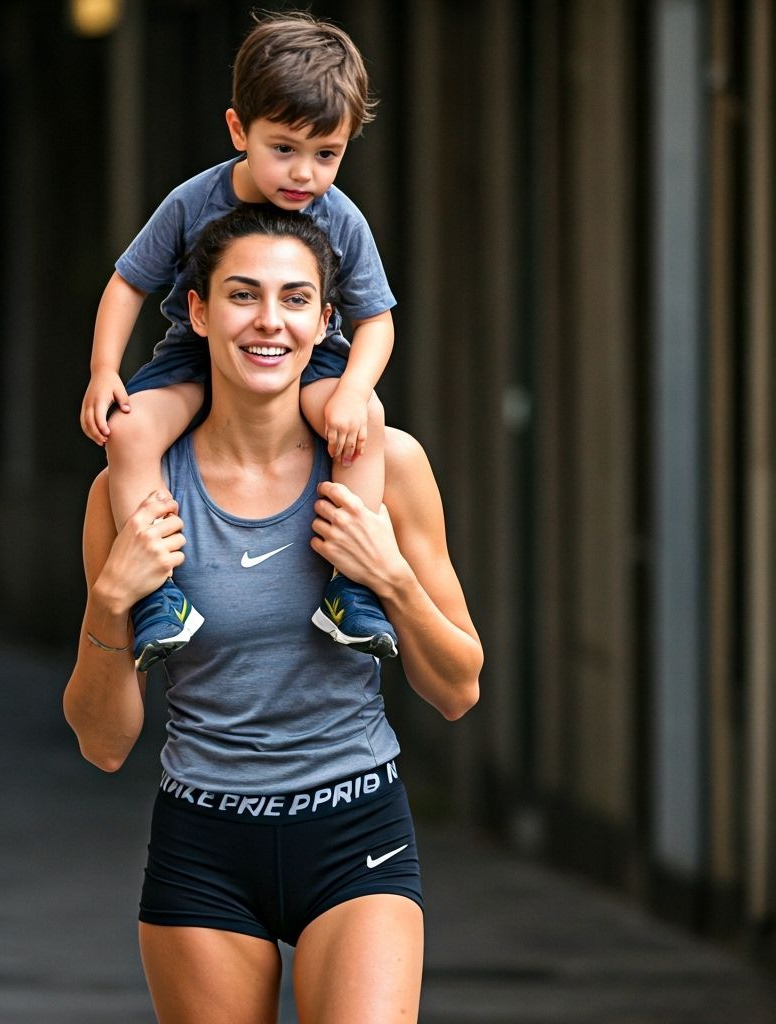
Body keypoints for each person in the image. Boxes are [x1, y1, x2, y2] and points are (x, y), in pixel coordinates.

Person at [64, 207, 482, 1023]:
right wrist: (114, 599)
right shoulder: (134, 491)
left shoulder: (387, 467)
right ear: (198, 311)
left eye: (295, 299)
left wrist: (389, 578)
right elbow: (103, 741)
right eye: (242, 295)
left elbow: (459, 687)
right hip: (204, 843)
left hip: (355, 826)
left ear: (327, 320)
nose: (268, 322)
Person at [80, 11, 398, 673]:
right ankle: (157, 596)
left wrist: (355, 390)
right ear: (238, 130)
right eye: (284, 148)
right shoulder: (194, 200)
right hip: (194, 354)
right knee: (131, 433)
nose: (305, 174)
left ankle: (350, 586)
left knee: (365, 423)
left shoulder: (341, 217)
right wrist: (104, 368)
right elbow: (127, 283)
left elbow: (376, 320)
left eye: (327, 154)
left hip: (307, 359)